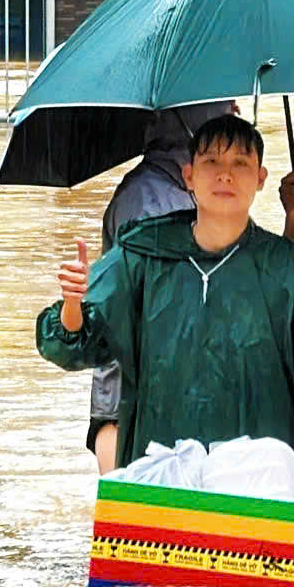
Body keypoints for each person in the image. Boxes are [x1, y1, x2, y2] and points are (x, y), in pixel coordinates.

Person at [38, 114, 294, 504]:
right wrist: (73, 304)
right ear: (189, 175)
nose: (225, 175)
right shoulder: (141, 254)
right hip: (160, 473)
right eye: (212, 162)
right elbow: (76, 344)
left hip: (267, 485)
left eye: (240, 163)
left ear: (260, 178)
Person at [85, 101, 233, 474]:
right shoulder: (147, 198)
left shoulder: (185, 189)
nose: (234, 108)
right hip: (136, 352)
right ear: (190, 122)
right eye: (222, 107)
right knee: (118, 418)